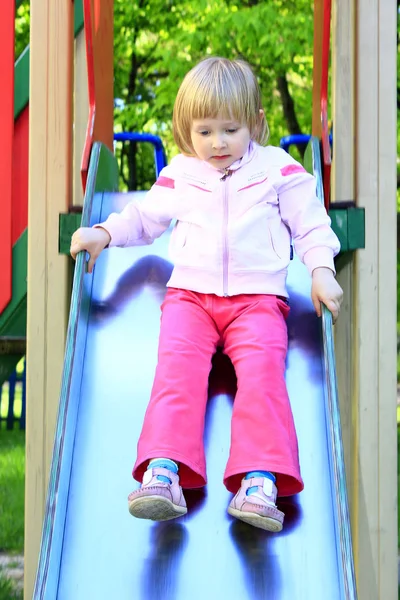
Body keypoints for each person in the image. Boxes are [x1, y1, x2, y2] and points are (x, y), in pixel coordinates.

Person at [70, 56, 343, 532]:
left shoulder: (279, 170)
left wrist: (320, 270)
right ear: (185, 130)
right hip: (190, 299)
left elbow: (311, 223)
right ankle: (163, 471)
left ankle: (259, 482)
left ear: (255, 124)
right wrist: (104, 232)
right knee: (175, 373)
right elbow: (144, 217)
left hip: (257, 302)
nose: (216, 143)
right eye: (204, 131)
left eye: (230, 130)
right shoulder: (182, 173)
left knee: (262, 377)